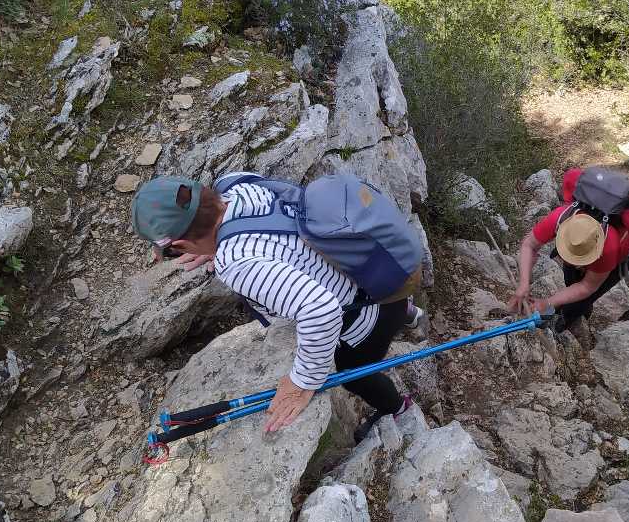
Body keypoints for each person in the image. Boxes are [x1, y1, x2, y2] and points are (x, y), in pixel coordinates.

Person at [130, 173, 425, 440]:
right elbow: (270, 231)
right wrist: (215, 246)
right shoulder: (238, 185)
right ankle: (406, 311)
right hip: (375, 277)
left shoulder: (236, 262)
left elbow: (321, 311)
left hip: (366, 318)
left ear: (181, 244)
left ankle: (396, 407)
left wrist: (302, 382)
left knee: (355, 374)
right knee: (393, 311)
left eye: (169, 252)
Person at [508, 167, 629, 331]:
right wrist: (523, 285)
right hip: (594, 244)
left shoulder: (609, 247)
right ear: (564, 231)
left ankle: (568, 319)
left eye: (577, 257)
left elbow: (587, 287)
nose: (570, 260)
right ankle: (566, 308)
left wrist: (547, 302)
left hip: (618, 259)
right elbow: (529, 245)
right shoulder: (561, 216)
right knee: (570, 280)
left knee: (582, 300)